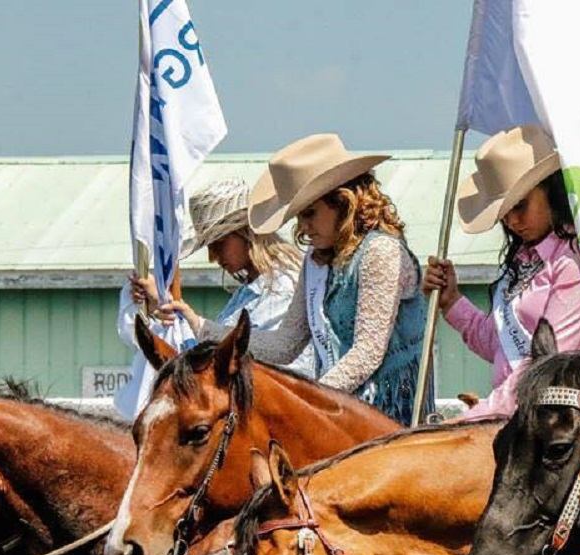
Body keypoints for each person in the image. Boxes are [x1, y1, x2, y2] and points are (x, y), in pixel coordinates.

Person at [168, 134, 432, 424]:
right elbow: (285, 344)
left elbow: (367, 353)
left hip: (398, 418)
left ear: (344, 202)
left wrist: (308, 403)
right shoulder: (316, 261)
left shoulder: (380, 251)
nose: (303, 228)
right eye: (299, 218)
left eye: (309, 214)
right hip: (345, 415)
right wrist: (202, 327)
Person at [421, 125, 580, 419]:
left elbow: (548, 364)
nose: (512, 221)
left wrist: (475, 417)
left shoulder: (571, 262)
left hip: (558, 423)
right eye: (504, 214)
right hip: (521, 413)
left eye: (520, 206)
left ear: (550, 193)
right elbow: (500, 346)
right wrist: (451, 302)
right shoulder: (523, 261)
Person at [123, 178, 315, 377]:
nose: (213, 256)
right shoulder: (252, 291)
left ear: (246, 233)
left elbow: (255, 361)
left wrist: (190, 320)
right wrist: (160, 305)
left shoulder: (282, 286)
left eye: (219, 243)